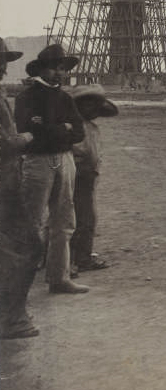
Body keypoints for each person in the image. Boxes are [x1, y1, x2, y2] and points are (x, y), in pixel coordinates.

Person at [14, 44, 89, 294]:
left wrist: (50, 128)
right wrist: (62, 129)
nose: (60, 73)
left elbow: (79, 132)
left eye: (62, 69)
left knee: (64, 221)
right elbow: (29, 132)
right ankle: (18, 284)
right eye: (55, 68)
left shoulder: (65, 98)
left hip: (64, 160)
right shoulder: (27, 97)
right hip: (37, 162)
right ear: (42, 70)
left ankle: (59, 278)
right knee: (32, 221)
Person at [0, 37, 41, 338]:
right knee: (26, 248)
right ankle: (12, 320)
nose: (4, 69)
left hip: (8, 182)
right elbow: (4, 144)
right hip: (4, 188)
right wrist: (27, 138)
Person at [70, 85, 118, 275]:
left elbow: (94, 153)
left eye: (97, 108)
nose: (94, 112)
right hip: (77, 176)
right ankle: (76, 259)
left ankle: (79, 257)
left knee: (85, 218)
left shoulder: (92, 128)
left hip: (88, 177)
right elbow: (74, 151)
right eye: (90, 106)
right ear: (80, 106)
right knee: (78, 220)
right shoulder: (74, 127)